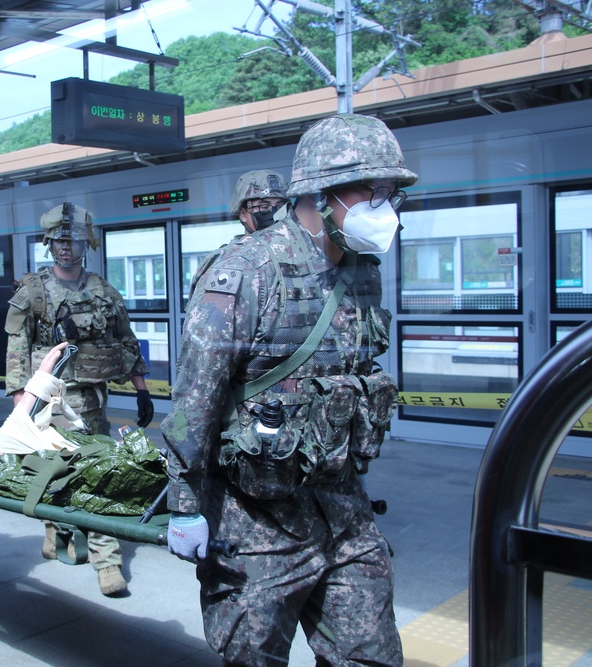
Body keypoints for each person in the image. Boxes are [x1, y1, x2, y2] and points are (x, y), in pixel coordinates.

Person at [161, 114, 415, 666]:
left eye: (391, 193)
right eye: (372, 192)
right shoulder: (245, 271)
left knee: (371, 656)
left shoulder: (362, 273)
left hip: (343, 512)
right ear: (320, 194)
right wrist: (183, 505)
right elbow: (194, 402)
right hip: (256, 524)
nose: (385, 207)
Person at [4, 202, 154, 597]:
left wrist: (142, 390)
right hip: (47, 400)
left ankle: (106, 561)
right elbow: (17, 346)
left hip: (90, 399)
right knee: (52, 468)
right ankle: (56, 528)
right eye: (57, 242)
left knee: (95, 471)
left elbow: (126, 339)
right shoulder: (33, 292)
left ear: (86, 244)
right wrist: (20, 397)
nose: (65, 249)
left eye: (71, 241)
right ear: (49, 245)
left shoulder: (103, 290)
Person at [188, 170, 290, 297]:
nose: (275, 213)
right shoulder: (227, 262)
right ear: (243, 214)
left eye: (280, 207)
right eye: (264, 207)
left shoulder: (294, 255)